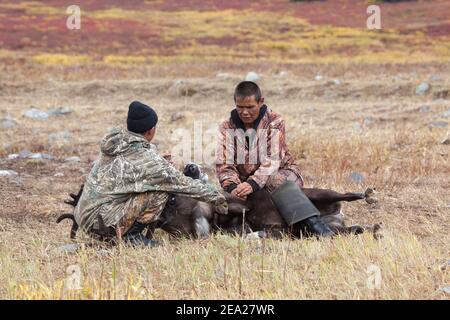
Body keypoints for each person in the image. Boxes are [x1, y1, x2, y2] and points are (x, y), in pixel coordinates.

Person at [74, 101, 226, 246]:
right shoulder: (149, 161)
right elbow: (182, 183)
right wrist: (217, 198)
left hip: (84, 217)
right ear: (151, 130)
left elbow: (133, 167)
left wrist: (159, 161)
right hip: (102, 224)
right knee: (161, 190)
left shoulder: (116, 143)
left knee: (156, 183)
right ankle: (130, 237)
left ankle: (126, 232)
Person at [216, 81, 334, 237]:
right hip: (245, 184)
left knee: (275, 181)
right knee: (221, 199)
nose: (244, 112)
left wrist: (252, 183)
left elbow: (273, 160)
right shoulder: (226, 127)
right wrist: (233, 187)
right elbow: (225, 164)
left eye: (250, 107)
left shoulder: (275, 121)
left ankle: (318, 227)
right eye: (240, 107)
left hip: (281, 173)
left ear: (261, 101)